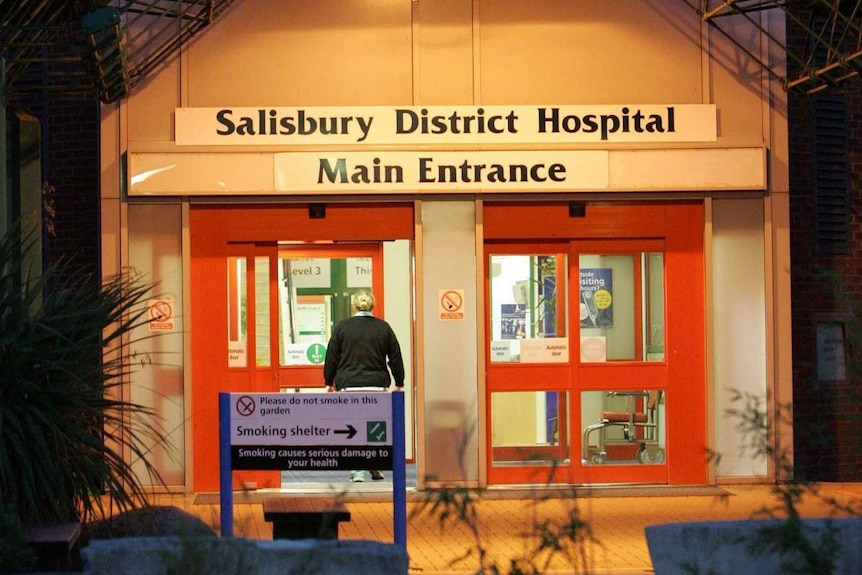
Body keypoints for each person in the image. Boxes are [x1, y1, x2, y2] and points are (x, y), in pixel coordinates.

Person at [323, 289, 404, 482]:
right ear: (373, 306)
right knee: (375, 429)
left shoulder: (343, 327)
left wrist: (329, 381)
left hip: (349, 386)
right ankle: (375, 466)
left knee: (352, 428)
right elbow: (395, 357)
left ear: (354, 306)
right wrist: (399, 382)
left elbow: (332, 356)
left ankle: (357, 471)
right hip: (376, 387)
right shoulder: (383, 328)